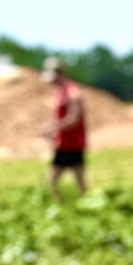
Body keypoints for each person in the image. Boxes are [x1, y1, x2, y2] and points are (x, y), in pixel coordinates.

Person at [43, 56, 88, 194]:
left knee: (51, 182)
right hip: (64, 142)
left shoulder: (72, 93)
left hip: (72, 143)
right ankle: (82, 205)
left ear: (60, 74)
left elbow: (73, 119)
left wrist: (52, 127)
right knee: (80, 183)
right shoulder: (60, 91)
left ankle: (66, 208)